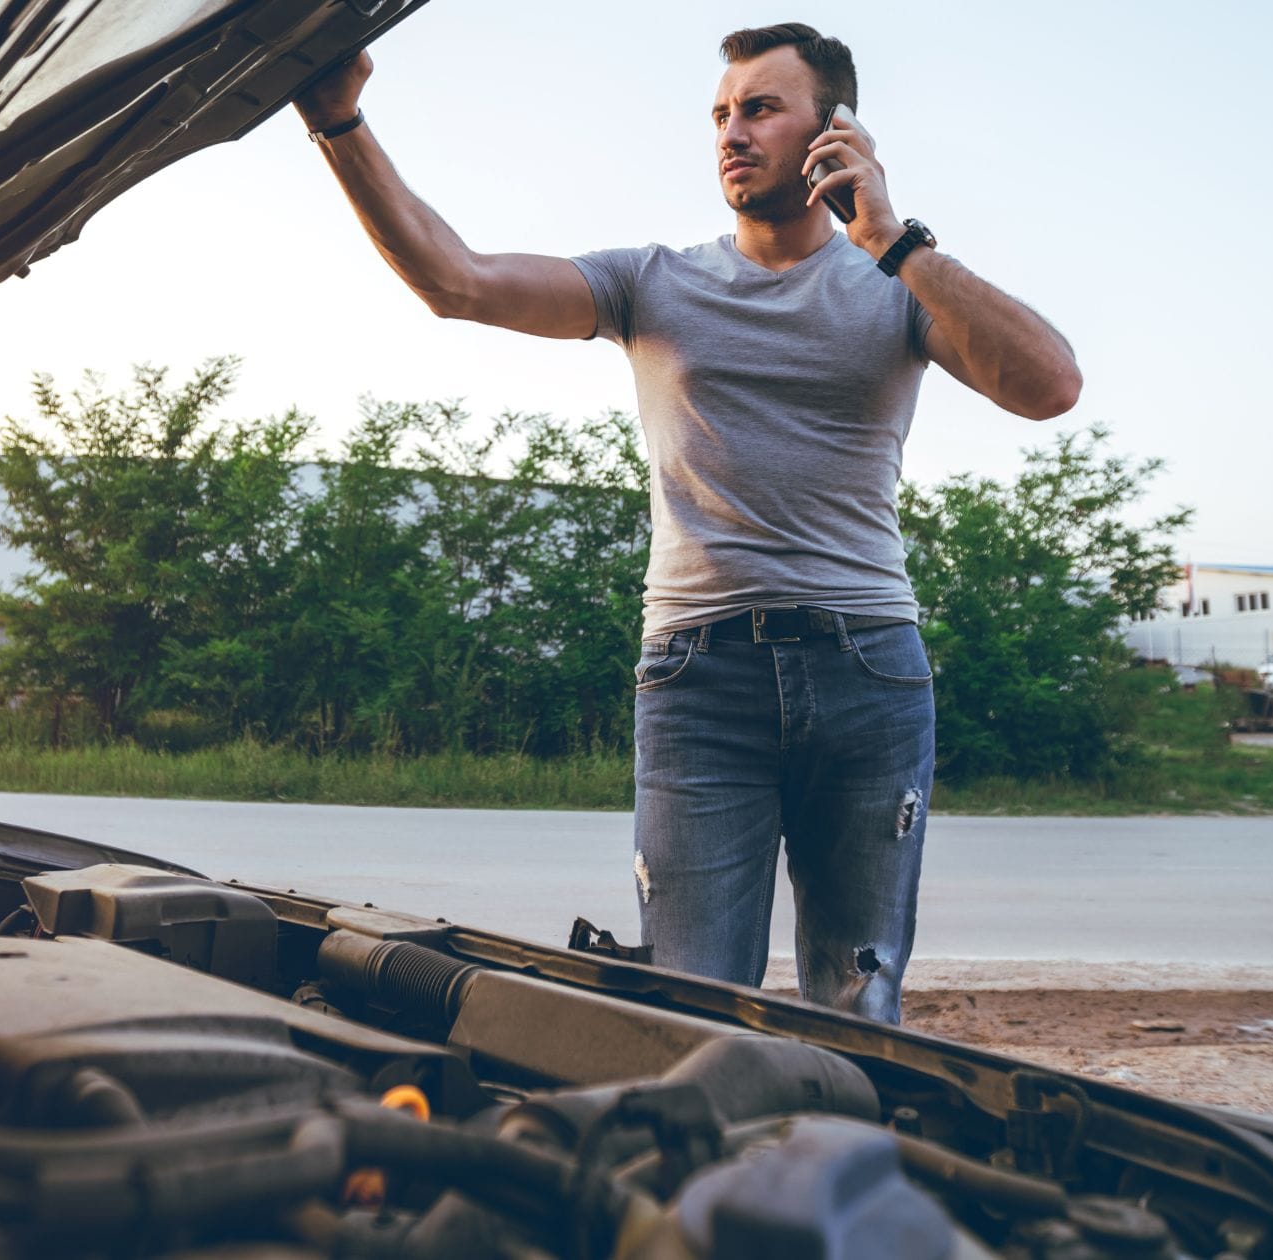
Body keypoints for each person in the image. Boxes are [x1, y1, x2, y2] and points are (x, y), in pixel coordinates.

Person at [294, 22, 1079, 1024]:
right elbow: (458, 281)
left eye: (759, 108)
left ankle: (828, 1175)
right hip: (697, 680)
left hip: (867, 671)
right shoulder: (651, 283)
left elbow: (1048, 384)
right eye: (720, 112)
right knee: (682, 1005)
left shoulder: (898, 288)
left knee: (856, 1001)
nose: (730, 132)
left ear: (833, 131)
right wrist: (338, 121)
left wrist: (887, 237)